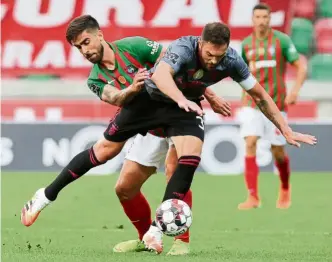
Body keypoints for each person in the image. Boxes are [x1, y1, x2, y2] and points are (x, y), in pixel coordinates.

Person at [20, 15, 231, 256]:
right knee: (124, 187)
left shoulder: (135, 46)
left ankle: (180, 240)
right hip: (146, 120)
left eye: (86, 42)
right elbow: (115, 98)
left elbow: (179, 64)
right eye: (78, 47)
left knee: (176, 169)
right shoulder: (95, 78)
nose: (84, 50)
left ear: (100, 34)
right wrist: (131, 88)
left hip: (177, 111)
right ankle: (146, 239)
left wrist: (210, 95)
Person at [237, 3, 308, 210]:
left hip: (276, 104)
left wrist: (294, 92)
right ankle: (253, 197)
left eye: (265, 17)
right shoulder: (247, 44)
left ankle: (285, 189)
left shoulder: (281, 41)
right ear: (252, 20)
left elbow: (300, 67)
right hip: (251, 103)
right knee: (250, 142)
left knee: (277, 150)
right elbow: (240, 73)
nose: (262, 21)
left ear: (270, 19)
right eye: (258, 17)